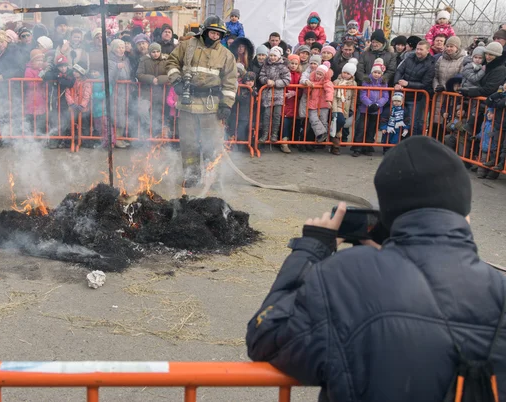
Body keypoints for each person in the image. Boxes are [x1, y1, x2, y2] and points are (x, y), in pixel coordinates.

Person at [246, 134, 506, 402]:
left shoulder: (345, 277)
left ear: (386, 214)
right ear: (466, 212)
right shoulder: (500, 290)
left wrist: (311, 249)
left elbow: (266, 338)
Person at [165, 15, 238, 188]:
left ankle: (210, 176)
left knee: (211, 144)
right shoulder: (186, 46)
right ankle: (191, 176)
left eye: (219, 34)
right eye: (212, 33)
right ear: (204, 31)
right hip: (188, 103)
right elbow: (171, 62)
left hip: (210, 105)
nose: (215, 37)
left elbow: (230, 81)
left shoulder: (226, 55)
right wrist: (176, 81)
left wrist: (226, 104)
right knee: (189, 143)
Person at [394, 40, 435, 136]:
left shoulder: (430, 64)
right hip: (403, 95)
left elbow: (425, 84)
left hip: (417, 98)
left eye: (421, 49)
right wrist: (397, 83)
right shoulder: (409, 57)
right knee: (399, 120)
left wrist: (408, 84)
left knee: (413, 123)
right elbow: (399, 70)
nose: (418, 51)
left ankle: (414, 145)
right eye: (417, 49)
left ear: (427, 51)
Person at [352, 58, 389, 156]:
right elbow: (363, 94)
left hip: (377, 109)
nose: (376, 74)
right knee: (361, 128)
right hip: (365, 108)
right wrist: (369, 104)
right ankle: (357, 147)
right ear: (372, 72)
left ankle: (367, 146)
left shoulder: (383, 83)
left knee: (372, 129)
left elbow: (386, 96)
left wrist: (378, 104)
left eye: (379, 73)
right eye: (375, 72)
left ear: (381, 74)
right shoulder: (366, 81)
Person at [257, 46, 290, 144]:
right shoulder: (265, 65)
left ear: (279, 56)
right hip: (267, 94)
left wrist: (275, 83)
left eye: (274, 55)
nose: (272, 57)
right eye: (271, 55)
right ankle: (265, 134)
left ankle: (274, 134)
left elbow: (287, 80)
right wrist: (266, 81)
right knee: (266, 115)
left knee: (276, 115)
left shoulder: (283, 67)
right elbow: (261, 76)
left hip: (278, 95)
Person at [136, 42, 168, 139]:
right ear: (150, 52)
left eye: (158, 51)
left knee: (158, 114)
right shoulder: (144, 61)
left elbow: (171, 74)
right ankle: (150, 129)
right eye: (153, 52)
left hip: (160, 92)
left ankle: (158, 136)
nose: (156, 54)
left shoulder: (166, 60)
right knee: (142, 110)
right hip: (146, 92)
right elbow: (139, 74)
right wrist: (151, 79)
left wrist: (159, 79)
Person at [331, 59, 357, 154]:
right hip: (337, 105)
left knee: (341, 125)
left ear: (352, 75)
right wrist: (334, 109)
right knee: (340, 121)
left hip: (346, 106)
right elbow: (333, 97)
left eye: (348, 74)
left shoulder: (354, 84)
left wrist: (352, 109)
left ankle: (334, 143)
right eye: (344, 72)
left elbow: (354, 97)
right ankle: (335, 141)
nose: (345, 75)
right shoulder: (336, 82)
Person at [305, 63, 334, 143]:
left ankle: (323, 139)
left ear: (324, 76)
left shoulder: (327, 82)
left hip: (323, 104)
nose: (318, 76)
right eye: (317, 73)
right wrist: (309, 87)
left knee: (323, 120)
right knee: (313, 119)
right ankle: (322, 134)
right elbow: (306, 92)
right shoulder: (311, 81)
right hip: (313, 103)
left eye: (321, 75)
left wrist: (328, 100)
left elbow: (329, 91)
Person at [280, 54, 302, 153]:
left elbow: (302, 89)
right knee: (285, 122)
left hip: (295, 102)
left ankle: (293, 140)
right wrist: (283, 93)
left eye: (295, 64)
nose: (293, 65)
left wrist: (295, 92)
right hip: (285, 101)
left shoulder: (299, 75)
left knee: (295, 123)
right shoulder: (284, 73)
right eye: (291, 63)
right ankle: (284, 142)